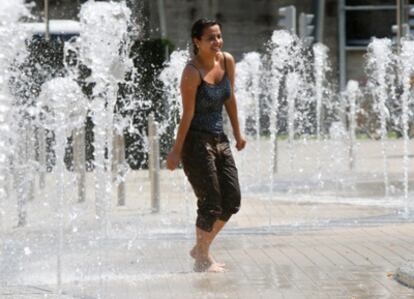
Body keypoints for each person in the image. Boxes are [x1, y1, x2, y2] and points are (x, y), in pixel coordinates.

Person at [166, 18, 246, 272]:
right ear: (196, 41)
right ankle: (203, 257)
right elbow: (187, 115)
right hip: (195, 142)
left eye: (219, 36)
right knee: (211, 201)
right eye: (211, 38)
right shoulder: (192, 73)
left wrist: (237, 132)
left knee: (232, 199)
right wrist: (176, 151)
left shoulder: (226, 61)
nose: (217, 42)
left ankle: (200, 247)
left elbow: (229, 99)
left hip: (219, 139)